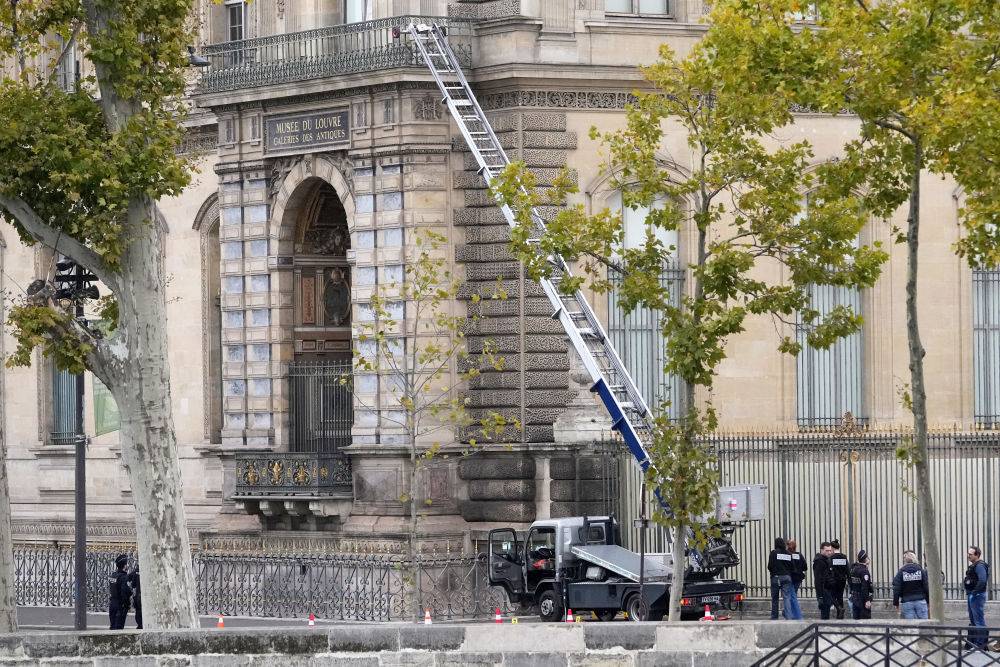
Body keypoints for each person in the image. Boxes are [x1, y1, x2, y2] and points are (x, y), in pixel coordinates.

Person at [767, 537, 802, 620]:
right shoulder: (788, 554)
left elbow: (769, 566)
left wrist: (774, 571)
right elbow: (792, 567)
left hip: (775, 577)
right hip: (786, 577)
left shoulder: (773, 553)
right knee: (787, 598)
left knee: (775, 598)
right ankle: (789, 616)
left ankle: (774, 617)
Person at [964, 545, 990, 650]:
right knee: (974, 621)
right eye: (968, 554)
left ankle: (980, 645)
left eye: (970, 554)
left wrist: (974, 593)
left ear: (977, 555)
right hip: (973, 595)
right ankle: (975, 644)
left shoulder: (980, 566)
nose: (968, 555)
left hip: (976, 596)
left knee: (978, 621)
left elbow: (982, 580)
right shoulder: (975, 565)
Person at [892, 550, 929, 619]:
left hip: (907, 601)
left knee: (910, 624)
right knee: (924, 623)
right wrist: (928, 601)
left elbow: (896, 588)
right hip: (921, 600)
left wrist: (896, 603)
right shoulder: (920, 571)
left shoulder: (901, 572)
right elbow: (926, 586)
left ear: (905, 561)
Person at [108, 554, 132, 630]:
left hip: (112, 603)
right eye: (127, 564)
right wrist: (127, 605)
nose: (128, 565)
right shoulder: (123, 577)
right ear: (124, 566)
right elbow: (125, 592)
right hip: (120, 605)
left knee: (113, 626)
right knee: (118, 628)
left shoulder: (113, 575)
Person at [848, 550, 874, 620]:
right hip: (862, 599)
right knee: (865, 620)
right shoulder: (864, 571)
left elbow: (850, 582)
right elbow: (864, 587)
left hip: (854, 597)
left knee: (856, 619)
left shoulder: (853, 569)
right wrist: (867, 600)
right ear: (866, 559)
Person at [813, 541, 835, 620]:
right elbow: (818, 579)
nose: (829, 552)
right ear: (822, 550)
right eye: (827, 550)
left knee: (827, 612)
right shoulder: (819, 561)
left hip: (828, 589)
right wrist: (820, 596)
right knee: (825, 613)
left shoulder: (826, 560)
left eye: (830, 550)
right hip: (823, 590)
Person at [829, 538, 850, 620]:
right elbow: (847, 570)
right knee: (840, 597)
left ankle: (839, 608)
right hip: (842, 580)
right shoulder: (844, 557)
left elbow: (829, 569)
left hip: (834, 580)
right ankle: (840, 616)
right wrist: (849, 580)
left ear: (832, 548)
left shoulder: (831, 558)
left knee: (831, 596)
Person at [128, 562, 142, 630]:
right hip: (143, 595)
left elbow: (132, 583)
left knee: (138, 611)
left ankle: (140, 625)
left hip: (138, 595)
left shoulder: (136, 570)